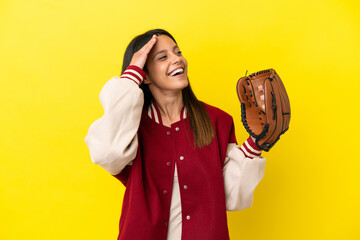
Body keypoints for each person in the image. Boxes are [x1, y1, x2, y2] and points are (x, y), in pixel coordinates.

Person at [85, 29, 266, 240]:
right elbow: (106, 153)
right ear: (145, 76)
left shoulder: (217, 121)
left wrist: (256, 143)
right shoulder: (129, 127)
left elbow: (231, 196)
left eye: (177, 52)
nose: (177, 59)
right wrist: (132, 72)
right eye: (163, 57)